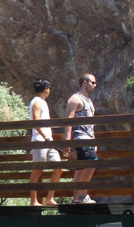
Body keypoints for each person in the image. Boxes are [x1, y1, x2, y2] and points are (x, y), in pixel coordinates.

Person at [28, 79, 63, 207]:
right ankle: (33, 201)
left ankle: (49, 198)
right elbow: (36, 123)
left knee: (59, 168)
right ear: (46, 89)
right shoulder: (36, 102)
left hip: (49, 141)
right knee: (37, 170)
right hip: (40, 140)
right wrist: (46, 138)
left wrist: (49, 139)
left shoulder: (42, 102)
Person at [65, 73, 98, 204]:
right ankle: (83, 195)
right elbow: (69, 120)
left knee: (80, 169)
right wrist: (67, 140)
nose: (95, 85)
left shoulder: (89, 101)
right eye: (93, 82)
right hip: (81, 137)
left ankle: (76, 198)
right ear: (85, 82)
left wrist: (94, 140)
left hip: (89, 138)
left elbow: (91, 123)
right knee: (92, 163)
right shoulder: (75, 99)